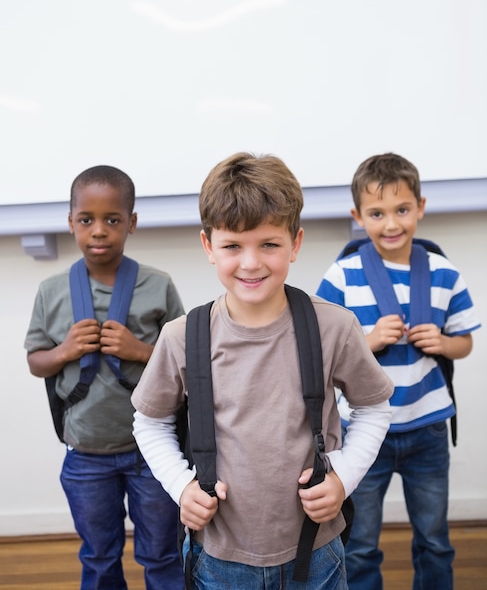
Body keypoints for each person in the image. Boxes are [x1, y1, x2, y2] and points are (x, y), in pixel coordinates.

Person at [131, 151, 394, 590]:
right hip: (218, 558)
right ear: (208, 247)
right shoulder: (182, 336)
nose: (251, 263)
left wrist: (342, 480)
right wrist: (181, 487)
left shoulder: (334, 326)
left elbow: (374, 408)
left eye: (269, 244)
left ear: (295, 243)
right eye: (233, 245)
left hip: (316, 551)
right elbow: (149, 421)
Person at [316, 152, 481, 590]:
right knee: (362, 541)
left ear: (421, 207)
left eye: (402, 210)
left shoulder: (443, 272)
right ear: (357, 217)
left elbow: (464, 341)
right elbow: (319, 349)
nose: (391, 224)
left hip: (428, 429)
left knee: (434, 538)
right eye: (377, 213)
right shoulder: (344, 274)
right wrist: (368, 340)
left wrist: (444, 344)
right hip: (364, 433)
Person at [24, 165, 186, 590]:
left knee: (164, 554)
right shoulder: (51, 290)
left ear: (131, 223)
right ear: (71, 222)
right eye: (86, 220)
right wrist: (64, 352)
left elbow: (188, 364)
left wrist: (139, 351)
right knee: (98, 556)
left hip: (153, 452)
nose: (99, 231)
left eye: (112, 220)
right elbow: (36, 361)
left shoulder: (158, 285)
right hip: (85, 454)